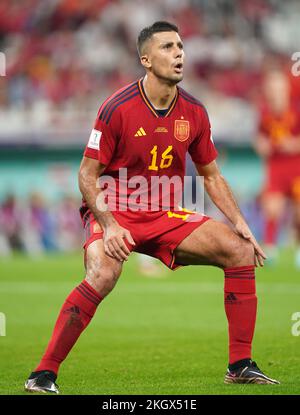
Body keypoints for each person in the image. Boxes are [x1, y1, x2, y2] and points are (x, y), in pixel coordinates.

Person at [25, 21, 279, 394]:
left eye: (180, 46)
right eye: (167, 47)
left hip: (164, 214)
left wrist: (239, 221)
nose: (179, 53)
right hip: (115, 209)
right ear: (145, 59)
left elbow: (211, 175)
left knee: (239, 250)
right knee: (103, 274)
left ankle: (240, 364)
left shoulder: (194, 111)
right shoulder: (116, 108)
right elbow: (86, 175)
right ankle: (43, 373)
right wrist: (108, 225)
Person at [254, 69, 300, 267]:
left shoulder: (296, 109)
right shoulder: (264, 111)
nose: (275, 91)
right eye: (272, 88)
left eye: (279, 87)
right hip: (275, 166)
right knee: (272, 208)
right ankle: (270, 249)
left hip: (296, 166)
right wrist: (261, 144)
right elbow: (259, 136)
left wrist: (293, 144)